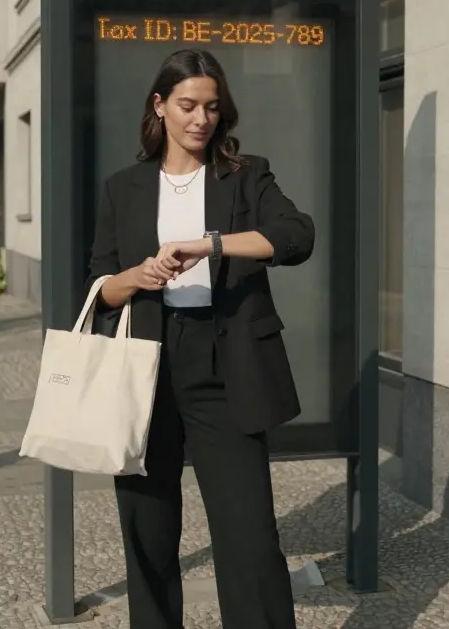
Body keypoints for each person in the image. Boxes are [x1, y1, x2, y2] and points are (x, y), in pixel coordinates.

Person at [86, 48, 314, 628]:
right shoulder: (125, 187)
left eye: (212, 107)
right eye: (187, 105)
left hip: (225, 363)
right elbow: (99, 287)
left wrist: (211, 244)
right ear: (159, 106)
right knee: (149, 532)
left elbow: (295, 236)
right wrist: (135, 277)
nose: (200, 119)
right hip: (147, 368)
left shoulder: (245, 175)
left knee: (250, 538)